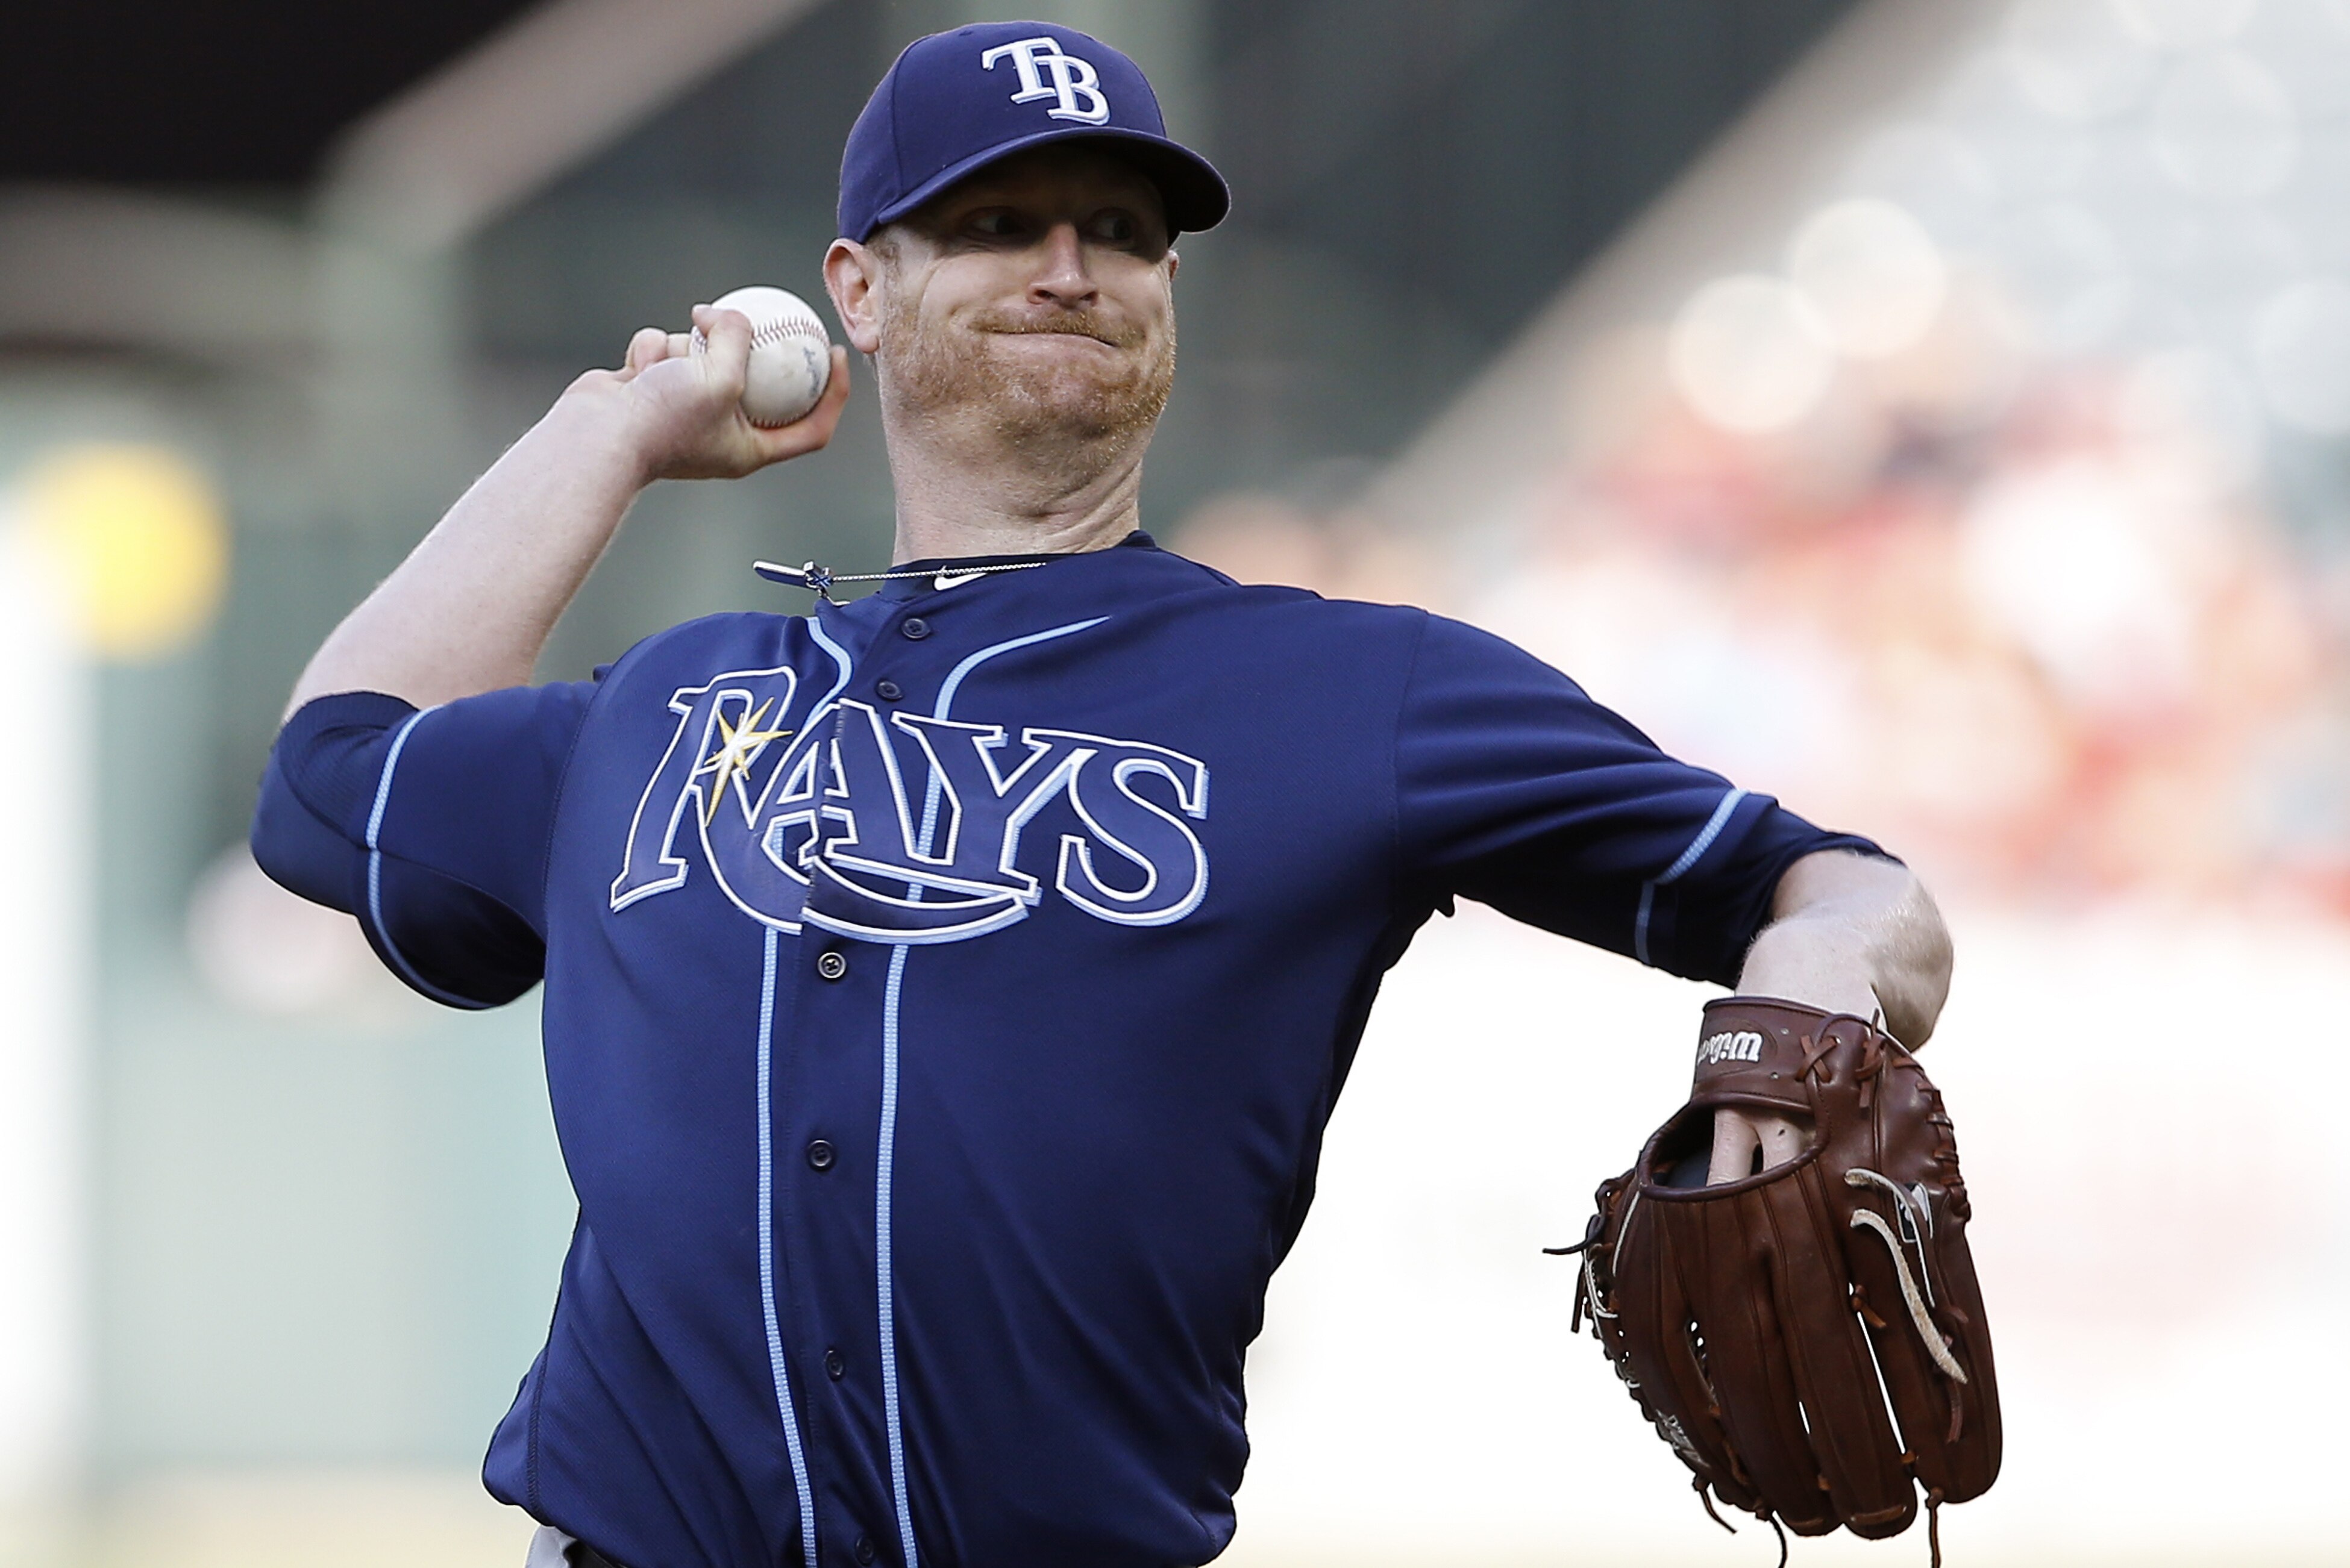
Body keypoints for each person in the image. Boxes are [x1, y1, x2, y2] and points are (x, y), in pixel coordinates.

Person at [251, 21, 1951, 1568]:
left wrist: (1810, 985)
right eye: (998, 223)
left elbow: (1851, 893)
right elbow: (327, 787)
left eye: (1123, 232)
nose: (1070, 269)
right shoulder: (665, 705)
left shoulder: (1349, 688)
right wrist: (606, 434)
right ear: (857, 289)